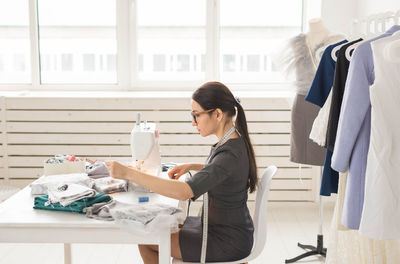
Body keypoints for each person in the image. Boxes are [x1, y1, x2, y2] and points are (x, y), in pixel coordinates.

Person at [106, 81, 258, 263]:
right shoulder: (233, 143)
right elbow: (225, 173)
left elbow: (184, 192)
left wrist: (129, 174)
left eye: (197, 115)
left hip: (226, 240)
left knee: (147, 240)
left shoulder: (229, 154)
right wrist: (193, 166)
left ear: (217, 114)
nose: (193, 123)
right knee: (156, 226)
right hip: (225, 229)